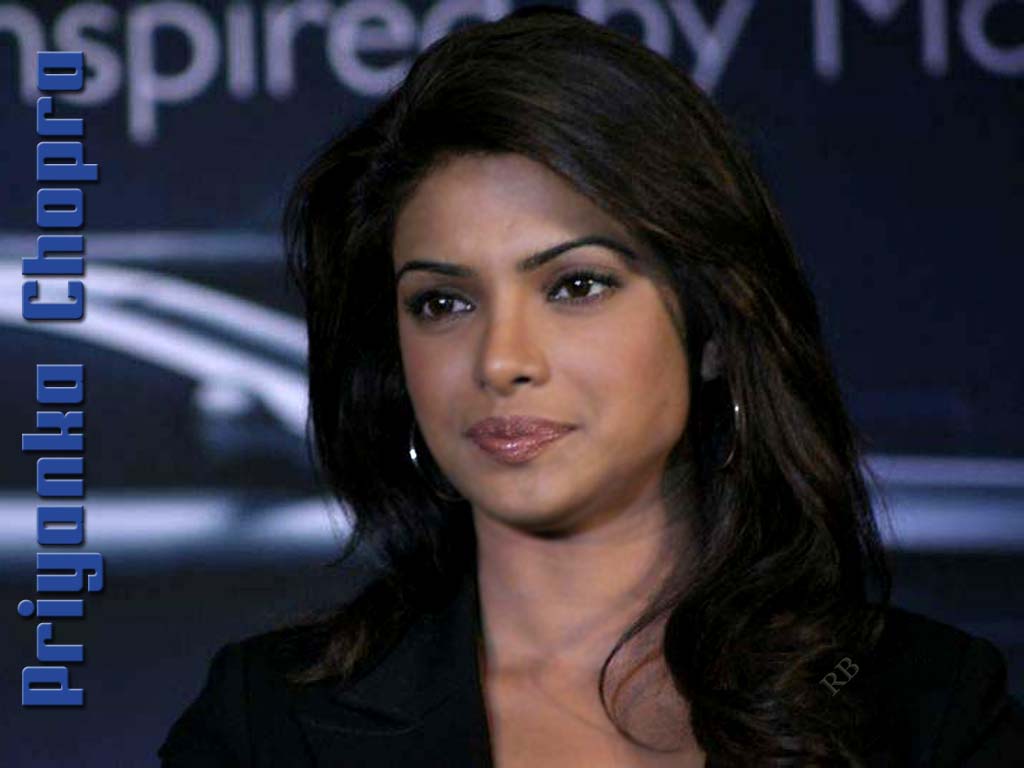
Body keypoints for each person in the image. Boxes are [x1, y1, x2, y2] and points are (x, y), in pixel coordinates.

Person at [158, 7, 1024, 767]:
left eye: (576, 285)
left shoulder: (919, 709)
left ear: (713, 329)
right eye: (443, 302)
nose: (500, 360)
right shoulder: (272, 726)